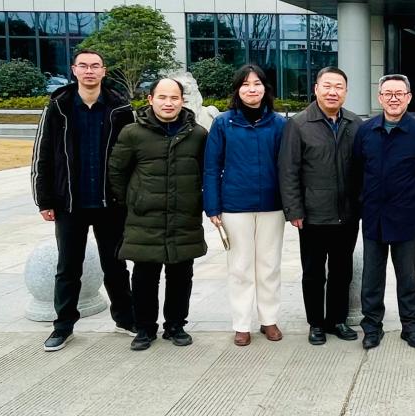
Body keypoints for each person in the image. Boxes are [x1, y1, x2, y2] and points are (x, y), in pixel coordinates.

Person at [31, 49, 135, 352]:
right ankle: (63, 326)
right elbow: (42, 155)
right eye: (83, 66)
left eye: (95, 66)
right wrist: (44, 200)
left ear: (104, 71)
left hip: (109, 202)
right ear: (74, 70)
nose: (89, 71)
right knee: (68, 267)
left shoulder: (120, 107)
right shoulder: (58, 107)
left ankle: (125, 319)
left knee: (116, 265)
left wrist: (129, 197)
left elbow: (131, 157)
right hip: (69, 203)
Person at [108, 77, 208, 351]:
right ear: (150, 99)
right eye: (162, 97)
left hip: (184, 217)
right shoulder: (133, 133)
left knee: (181, 275)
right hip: (145, 217)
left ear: (182, 101)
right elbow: (117, 172)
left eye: (174, 98)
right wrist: (133, 200)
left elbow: (205, 172)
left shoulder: (197, 134)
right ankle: (144, 328)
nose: (168, 103)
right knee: (144, 275)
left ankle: (175, 325)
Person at [278, 66, 363, 346]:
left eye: (339, 87)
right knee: (313, 273)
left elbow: (363, 168)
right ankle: (315, 323)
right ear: (316, 89)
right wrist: (294, 210)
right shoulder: (299, 124)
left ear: (346, 92)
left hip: (347, 213)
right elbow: (288, 170)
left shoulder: (355, 123)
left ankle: (337, 320)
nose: (332, 92)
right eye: (327, 86)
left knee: (342, 271)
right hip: (312, 215)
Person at [203, 64, 286, 347]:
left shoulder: (279, 124)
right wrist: (212, 207)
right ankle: (241, 324)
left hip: (272, 205)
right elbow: (211, 167)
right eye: (246, 84)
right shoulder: (223, 123)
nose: (252, 89)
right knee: (240, 266)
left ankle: (269, 319)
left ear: (266, 88)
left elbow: (287, 167)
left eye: (257, 83)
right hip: (235, 204)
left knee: (269, 264)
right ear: (237, 90)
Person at [354, 74, 415, 350]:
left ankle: (411, 327)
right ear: (379, 97)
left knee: (408, 277)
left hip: (405, 216)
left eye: (399, 93)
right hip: (373, 216)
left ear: (408, 97)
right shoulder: (365, 131)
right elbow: (356, 169)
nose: (393, 98)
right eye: (388, 93)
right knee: (371, 278)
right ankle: (371, 327)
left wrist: (407, 195)